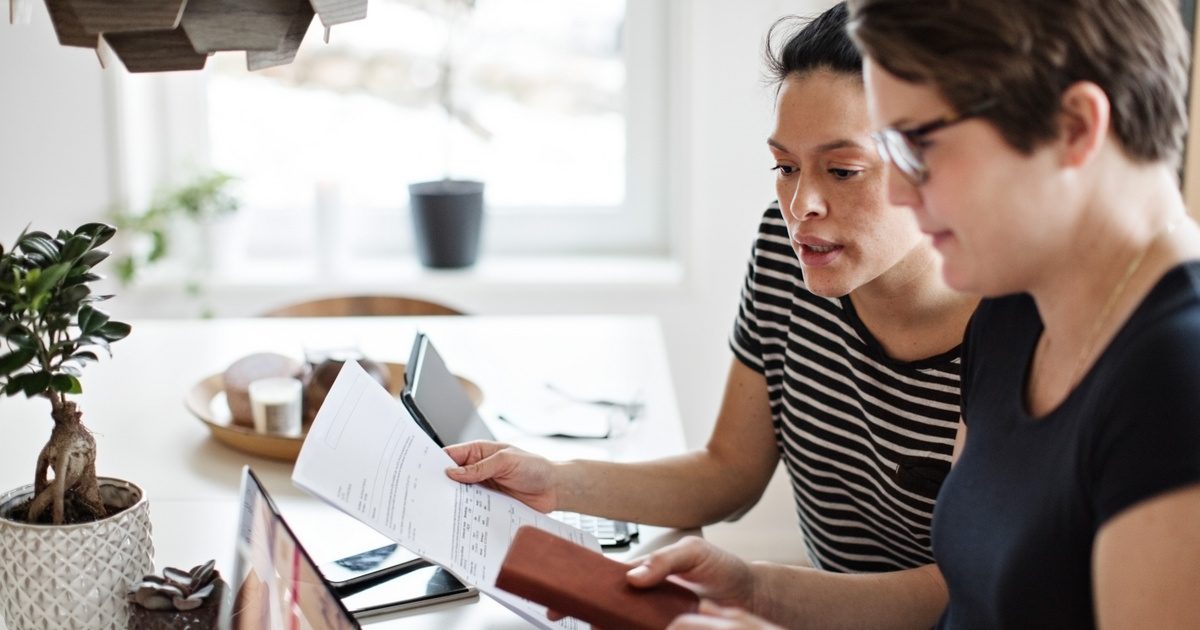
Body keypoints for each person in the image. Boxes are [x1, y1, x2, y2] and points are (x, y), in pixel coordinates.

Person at [630, 0, 1200, 628]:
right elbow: (964, 599)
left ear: (1073, 127)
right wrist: (757, 592)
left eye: (922, 146)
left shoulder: (1177, 373)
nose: (901, 191)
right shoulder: (1013, 312)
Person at [446, 2, 978, 575]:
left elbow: (963, 592)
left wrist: (750, 590)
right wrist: (555, 479)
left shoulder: (1008, 320)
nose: (802, 207)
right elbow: (730, 471)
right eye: (785, 167)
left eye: (842, 170)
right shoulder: (788, 246)